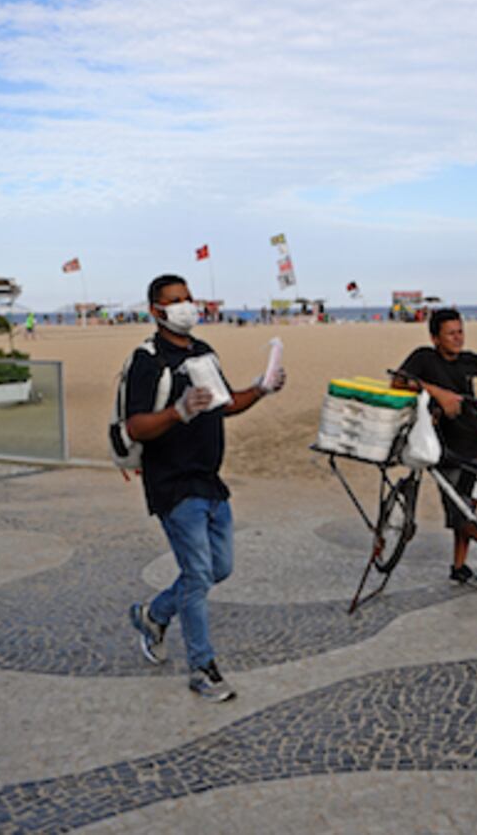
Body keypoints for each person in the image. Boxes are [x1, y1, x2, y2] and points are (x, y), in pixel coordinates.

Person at [125, 273, 286, 702]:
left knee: (219, 568)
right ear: (155, 311)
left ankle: (154, 614)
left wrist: (261, 389)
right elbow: (135, 425)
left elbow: (225, 403)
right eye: (174, 301)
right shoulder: (148, 359)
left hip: (210, 480)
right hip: (173, 484)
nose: (185, 307)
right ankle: (202, 668)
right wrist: (178, 411)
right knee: (197, 574)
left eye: (188, 298)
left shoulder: (203, 352)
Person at [395, 308, 477, 583]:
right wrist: (437, 393)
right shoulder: (424, 359)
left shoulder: (468, 360)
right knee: (459, 511)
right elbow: (397, 383)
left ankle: (460, 565)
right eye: (451, 333)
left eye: (460, 332)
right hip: (443, 448)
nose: (458, 338)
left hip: (476, 443)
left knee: (466, 510)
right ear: (435, 338)